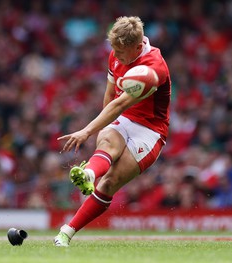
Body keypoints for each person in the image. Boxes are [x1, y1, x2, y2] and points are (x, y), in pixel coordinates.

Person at [54, 16, 171, 246]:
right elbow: (110, 99)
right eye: (113, 50)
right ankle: (89, 174)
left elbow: (119, 105)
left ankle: (67, 231)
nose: (116, 55)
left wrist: (86, 131)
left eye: (121, 51)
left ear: (137, 47)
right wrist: (103, 126)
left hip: (150, 131)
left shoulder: (153, 69)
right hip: (125, 119)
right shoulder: (116, 54)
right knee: (107, 141)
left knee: (109, 183)